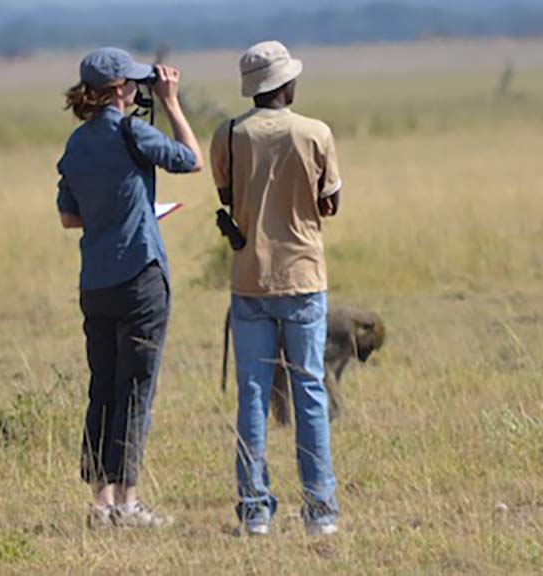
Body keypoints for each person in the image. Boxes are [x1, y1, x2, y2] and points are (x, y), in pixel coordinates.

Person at [56, 47, 202, 529]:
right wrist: (174, 104)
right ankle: (128, 502)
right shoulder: (131, 130)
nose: (142, 90)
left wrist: (112, 210)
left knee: (103, 387)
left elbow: (69, 216)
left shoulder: (76, 144)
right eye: (135, 84)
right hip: (140, 275)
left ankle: (100, 503)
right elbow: (189, 160)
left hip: (95, 281)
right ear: (119, 89)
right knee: (136, 389)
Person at [211, 40, 342, 537]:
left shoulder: (226, 135)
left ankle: (255, 511)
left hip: (249, 280)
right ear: (286, 85)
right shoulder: (315, 132)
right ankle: (321, 512)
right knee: (309, 391)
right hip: (304, 278)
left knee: (252, 395)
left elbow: (227, 196)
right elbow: (330, 204)